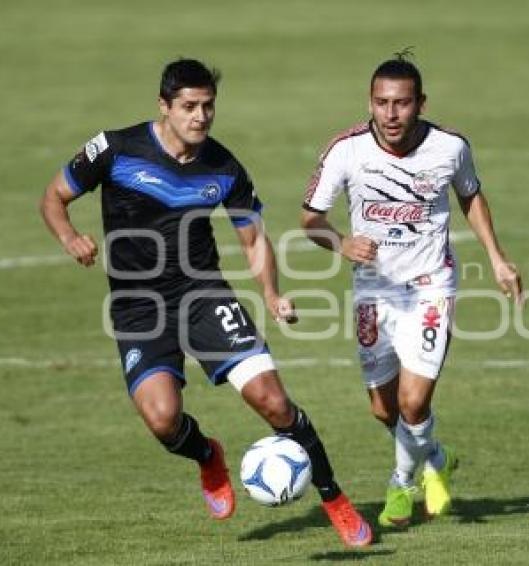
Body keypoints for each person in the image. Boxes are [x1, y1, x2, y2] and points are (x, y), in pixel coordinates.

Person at [38, 58, 372, 547]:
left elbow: (253, 239)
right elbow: (53, 197)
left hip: (202, 294)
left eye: (208, 106)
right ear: (164, 106)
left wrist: (273, 295)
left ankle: (334, 499)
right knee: (162, 420)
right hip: (138, 308)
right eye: (189, 106)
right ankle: (207, 456)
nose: (200, 116)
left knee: (274, 402)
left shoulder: (225, 167)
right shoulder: (113, 148)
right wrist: (69, 237)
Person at [300, 51, 522, 528]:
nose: (391, 114)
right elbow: (309, 219)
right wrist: (340, 243)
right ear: (370, 102)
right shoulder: (346, 150)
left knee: (413, 402)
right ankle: (437, 459)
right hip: (372, 292)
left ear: (420, 102)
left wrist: (497, 258)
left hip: (430, 288)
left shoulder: (449, 148)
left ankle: (400, 487)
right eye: (382, 103)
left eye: (401, 103)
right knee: (384, 409)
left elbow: (470, 195)